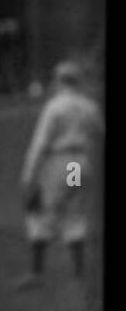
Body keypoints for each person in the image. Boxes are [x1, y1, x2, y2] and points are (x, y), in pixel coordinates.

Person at [17, 60, 104, 288]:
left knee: (42, 211)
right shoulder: (88, 106)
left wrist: (29, 174)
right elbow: (100, 132)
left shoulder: (55, 106)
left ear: (59, 80)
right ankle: (78, 271)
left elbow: (41, 142)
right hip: (79, 162)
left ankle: (36, 272)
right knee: (74, 211)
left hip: (61, 160)